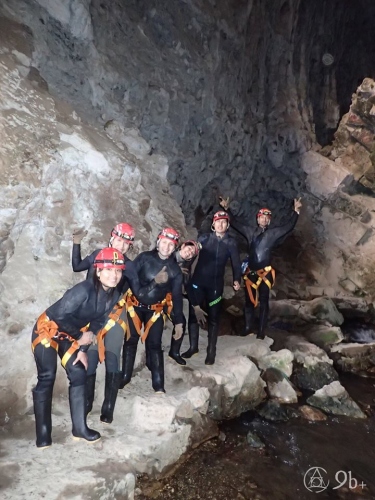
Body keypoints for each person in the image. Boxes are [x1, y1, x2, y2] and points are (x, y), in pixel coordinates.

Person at [31, 247, 125, 448]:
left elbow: (98, 323)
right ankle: (43, 433)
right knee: (47, 376)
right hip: (48, 329)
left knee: (79, 373)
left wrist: (82, 350)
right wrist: (80, 337)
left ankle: (79, 428)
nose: (114, 275)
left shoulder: (113, 295)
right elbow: (60, 316)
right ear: (98, 271)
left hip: (70, 335)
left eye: (118, 271)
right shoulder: (83, 290)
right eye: (108, 270)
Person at [71, 223, 137, 424]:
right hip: (92, 313)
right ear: (111, 238)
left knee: (112, 356)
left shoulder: (130, 265)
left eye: (126, 243)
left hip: (115, 314)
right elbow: (76, 266)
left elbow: (140, 292)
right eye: (119, 240)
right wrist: (76, 243)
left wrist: (158, 285)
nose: (122, 246)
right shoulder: (97, 255)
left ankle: (108, 407)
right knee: (89, 356)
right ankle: (88, 402)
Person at [219, 196, 302, 339]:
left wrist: (295, 212)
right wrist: (226, 209)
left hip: (266, 272)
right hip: (251, 272)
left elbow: (288, 227)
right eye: (261, 217)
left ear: (269, 221)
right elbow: (235, 223)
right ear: (257, 219)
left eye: (266, 218)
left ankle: (261, 332)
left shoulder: (272, 234)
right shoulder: (250, 232)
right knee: (249, 302)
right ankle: (247, 328)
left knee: (264, 301)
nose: (264, 219)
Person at [120, 227, 184, 393]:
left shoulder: (175, 271)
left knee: (154, 345)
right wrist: (116, 299)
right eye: (164, 242)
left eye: (171, 245)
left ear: (175, 247)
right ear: (158, 242)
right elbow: (130, 278)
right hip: (134, 306)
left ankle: (158, 384)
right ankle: (125, 376)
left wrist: (179, 322)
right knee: (131, 340)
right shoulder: (144, 258)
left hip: (155, 310)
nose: (166, 247)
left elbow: (177, 297)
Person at [183, 212, 241, 365]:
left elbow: (236, 263)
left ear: (227, 225)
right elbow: (192, 254)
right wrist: (184, 272)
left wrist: (237, 279)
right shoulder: (204, 238)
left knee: (214, 319)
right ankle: (193, 347)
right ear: (213, 224)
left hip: (215, 286)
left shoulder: (231, 243)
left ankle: (211, 351)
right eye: (218, 222)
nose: (220, 225)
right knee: (193, 315)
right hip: (198, 283)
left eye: (224, 222)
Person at [168, 240, 202, 366]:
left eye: (192, 253)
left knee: (180, 321)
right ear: (182, 246)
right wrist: (175, 269)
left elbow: (188, 287)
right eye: (189, 249)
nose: (189, 253)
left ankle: (174, 352)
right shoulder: (168, 255)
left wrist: (196, 305)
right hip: (158, 297)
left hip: (171, 299)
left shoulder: (186, 269)